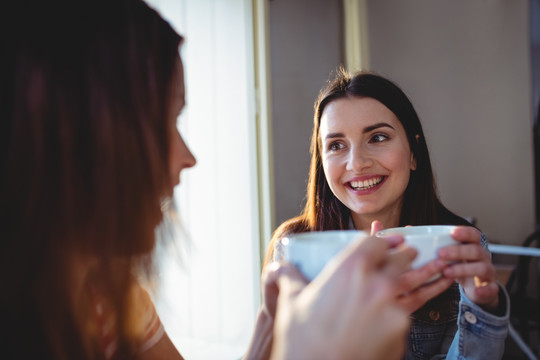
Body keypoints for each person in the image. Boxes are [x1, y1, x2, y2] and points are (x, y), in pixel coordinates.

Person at [0, 1, 413, 359]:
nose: (188, 158)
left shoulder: (117, 299)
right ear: (72, 135)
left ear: (414, 152)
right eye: (163, 123)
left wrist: (265, 339)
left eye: (378, 137)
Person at [264, 69, 510, 359]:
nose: (356, 164)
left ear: (414, 153)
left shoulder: (458, 245)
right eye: (336, 145)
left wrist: (483, 309)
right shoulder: (295, 245)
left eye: (378, 137)